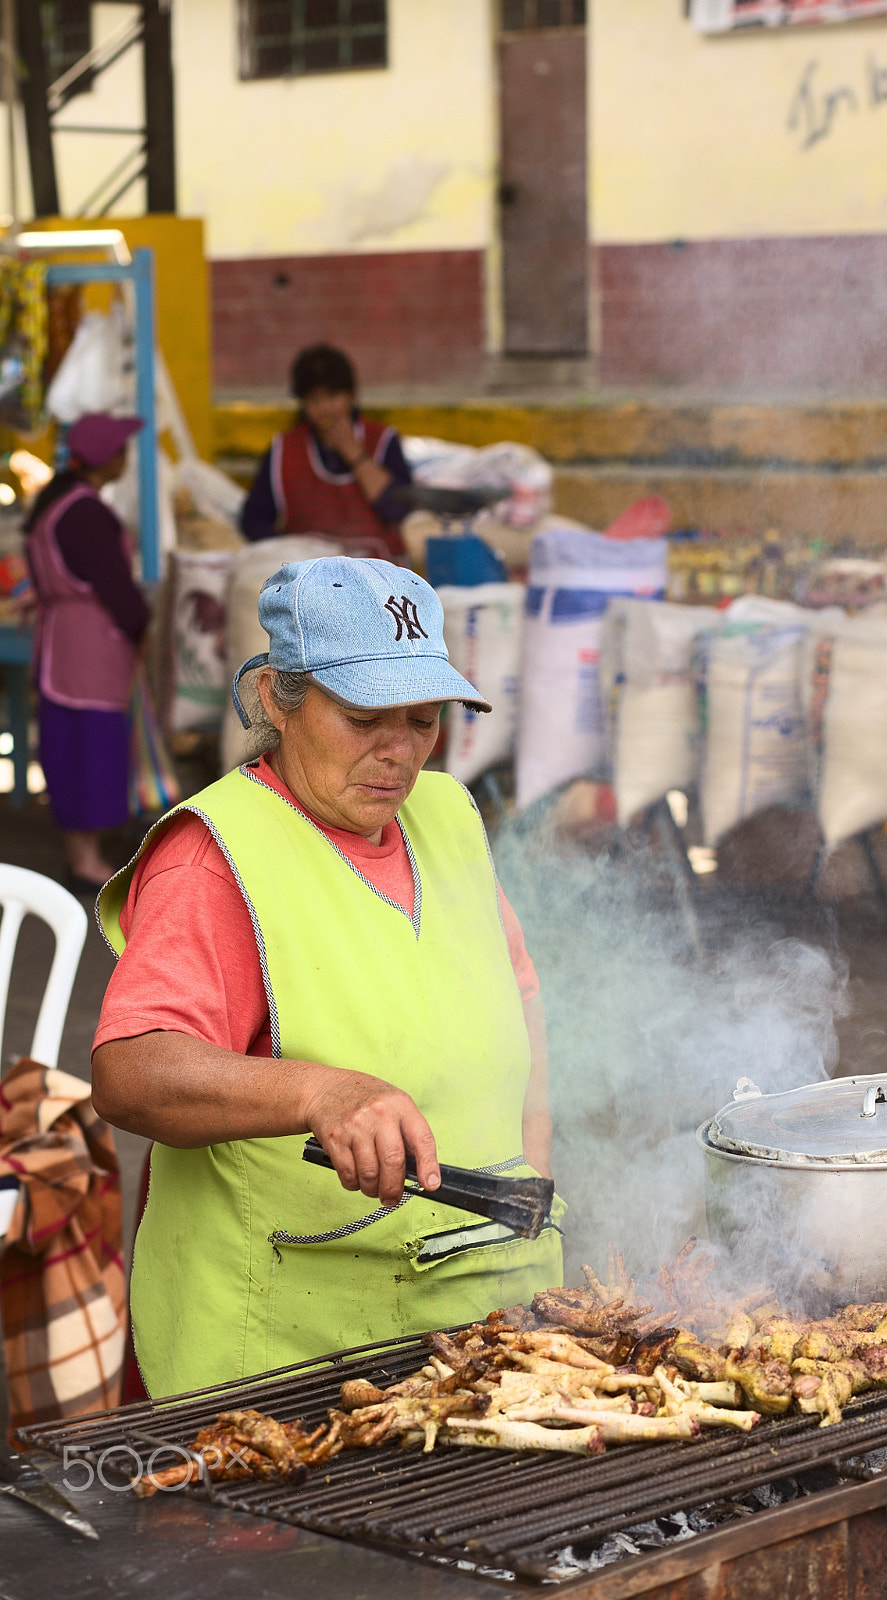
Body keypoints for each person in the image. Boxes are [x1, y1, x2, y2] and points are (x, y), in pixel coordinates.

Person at [90, 556, 562, 1397]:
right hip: (284, 1364)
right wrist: (320, 1094)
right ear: (277, 697)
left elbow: (519, 1020)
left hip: (471, 1334)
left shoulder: (446, 816)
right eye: (363, 717)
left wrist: (528, 1250)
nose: (398, 753)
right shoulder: (216, 858)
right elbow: (132, 1071)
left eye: (423, 720)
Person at [23, 413, 149, 894]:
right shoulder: (87, 513)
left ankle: (84, 852)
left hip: (62, 641)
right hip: (89, 646)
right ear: (109, 459)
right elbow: (116, 588)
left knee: (68, 745)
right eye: (122, 449)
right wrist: (140, 625)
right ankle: (87, 859)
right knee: (91, 749)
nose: (126, 457)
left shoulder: (55, 503)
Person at [239, 344, 413, 561]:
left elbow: (399, 509)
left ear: (352, 395)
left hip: (377, 572)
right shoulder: (283, 450)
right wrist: (287, 556)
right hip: (309, 573)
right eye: (314, 399)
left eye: (332, 396)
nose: (324, 408)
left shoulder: (383, 441)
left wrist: (355, 454)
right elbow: (254, 519)